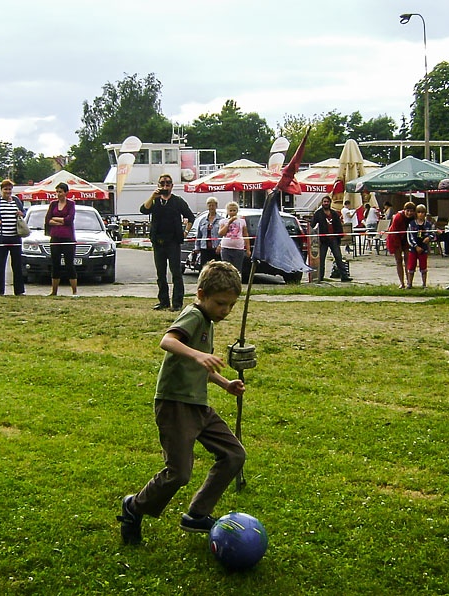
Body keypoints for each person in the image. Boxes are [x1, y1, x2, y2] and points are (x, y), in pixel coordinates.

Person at [116, 260, 246, 545]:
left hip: (198, 406)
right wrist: (198, 355)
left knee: (234, 454)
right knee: (179, 473)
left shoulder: (208, 321)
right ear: (200, 294)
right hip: (175, 405)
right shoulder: (194, 315)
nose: (226, 311)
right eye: (221, 304)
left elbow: (199, 368)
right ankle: (134, 506)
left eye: (231, 306)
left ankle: (197, 514)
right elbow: (168, 341)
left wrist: (225, 384)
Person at [140, 173, 194, 311]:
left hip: (173, 242)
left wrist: (185, 231)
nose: (165, 186)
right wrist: (153, 196)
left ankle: (177, 303)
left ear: (172, 185)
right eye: (162, 183)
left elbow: (190, 217)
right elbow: (143, 210)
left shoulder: (177, 201)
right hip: (158, 242)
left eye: (168, 183)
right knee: (160, 273)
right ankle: (163, 301)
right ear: (158, 185)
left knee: (176, 272)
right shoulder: (155, 201)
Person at [45, 182, 77, 296]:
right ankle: (54, 291)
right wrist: (61, 220)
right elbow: (48, 220)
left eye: (61, 192)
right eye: (57, 192)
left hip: (68, 238)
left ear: (66, 193)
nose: (58, 194)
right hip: (55, 238)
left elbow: (69, 219)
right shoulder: (53, 204)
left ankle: (74, 291)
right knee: (55, 264)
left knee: (69, 264)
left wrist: (57, 219)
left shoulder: (71, 204)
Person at [310, 195, 351, 282]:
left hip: (333, 239)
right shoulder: (318, 214)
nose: (326, 203)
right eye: (324, 202)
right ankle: (320, 277)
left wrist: (339, 236)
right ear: (322, 203)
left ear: (330, 202)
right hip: (323, 240)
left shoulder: (334, 213)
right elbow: (312, 226)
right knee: (321, 260)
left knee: (338, 257)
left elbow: (338, 225)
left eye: (327, 202)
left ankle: (344, 276)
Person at [386, 201, 416, 289]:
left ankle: (409, 282)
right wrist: (398, 246)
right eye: (407, 211)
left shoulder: (414, 217)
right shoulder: (398, 217)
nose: (409, 213)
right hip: (395, 238)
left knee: (408, 260)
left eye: (411, 211)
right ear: (404, 210)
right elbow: (394, 233)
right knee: (399, 260)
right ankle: (402, 283)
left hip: (406, 240)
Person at [405, 204, 434, 289]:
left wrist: (429, 237)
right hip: (413, 249)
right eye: (419, 212)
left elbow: (433, 234)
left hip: (424, 248)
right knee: (411, 267)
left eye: (423, 212)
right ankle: (409, 284)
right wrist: (416, 246)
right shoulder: (412, 224)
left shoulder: (428, 224)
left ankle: (424, 284)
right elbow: (409, 237)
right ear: (416, 213)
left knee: (423, 267)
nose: (421, 214)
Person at [217, 201, 249, 274]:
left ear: (237, 211)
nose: (232, 212)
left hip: (238, 249)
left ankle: (236, 284)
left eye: (234, 210)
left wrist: (248, 249)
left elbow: (246, 235)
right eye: (230, 210)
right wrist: (229, 222)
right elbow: (221, 233)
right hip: (226, 248)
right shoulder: (223, 221)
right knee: (226, 269)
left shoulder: (242, 221)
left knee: (237, 270)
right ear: (227, 212)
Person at [194, 197, 222, 267]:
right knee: (205, 269)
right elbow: (199, 235)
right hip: (204, 249)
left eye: (213, 205)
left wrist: (220, 245)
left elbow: (224, 235)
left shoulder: (221, 220)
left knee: (216, 270)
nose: (211, 207)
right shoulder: (202, 220)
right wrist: (197, 247)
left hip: (216, 249)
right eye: (210, 205)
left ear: (216, 206)